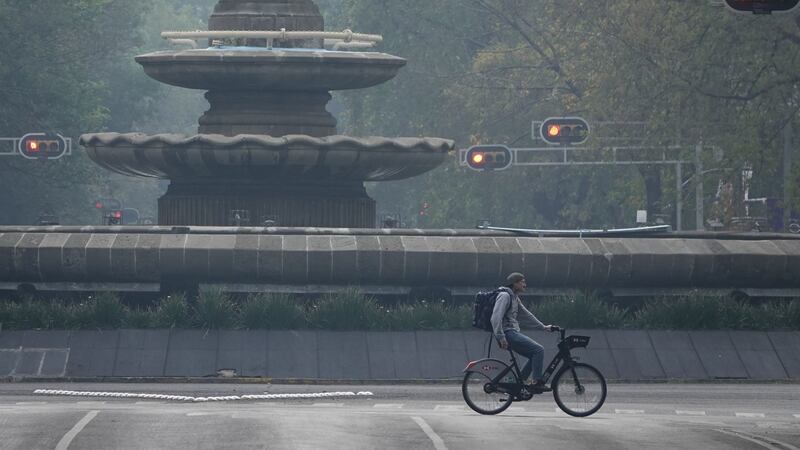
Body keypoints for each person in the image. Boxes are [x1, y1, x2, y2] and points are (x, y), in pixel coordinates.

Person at [491, 272, 554, 391]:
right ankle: (536, 382)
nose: (525, 284)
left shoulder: (514, 297)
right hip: (508, 333)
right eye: (522, 281)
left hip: (512, 332)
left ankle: (518, 385)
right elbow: (495, 318)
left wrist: (543, 327)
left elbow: (526, 315)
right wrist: (501, 337)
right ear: (515, 283)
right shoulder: (504, 296)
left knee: (534, 355)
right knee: (538, 350)